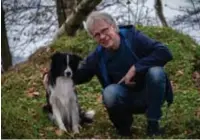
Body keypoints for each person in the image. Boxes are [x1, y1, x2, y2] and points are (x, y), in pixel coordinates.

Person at [44, 11, 173, 137]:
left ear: (113, 26)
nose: (103, 37)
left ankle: (153, 124)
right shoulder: (97, 56)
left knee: (156, 72)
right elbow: (79, 75)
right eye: (97, 35)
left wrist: (136, 68)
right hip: (125, 98)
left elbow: (164, 52)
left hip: (149, 93)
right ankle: (124, 129)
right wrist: (51, 76)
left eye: (105, 30)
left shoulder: (133, 37)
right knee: (109, 92)